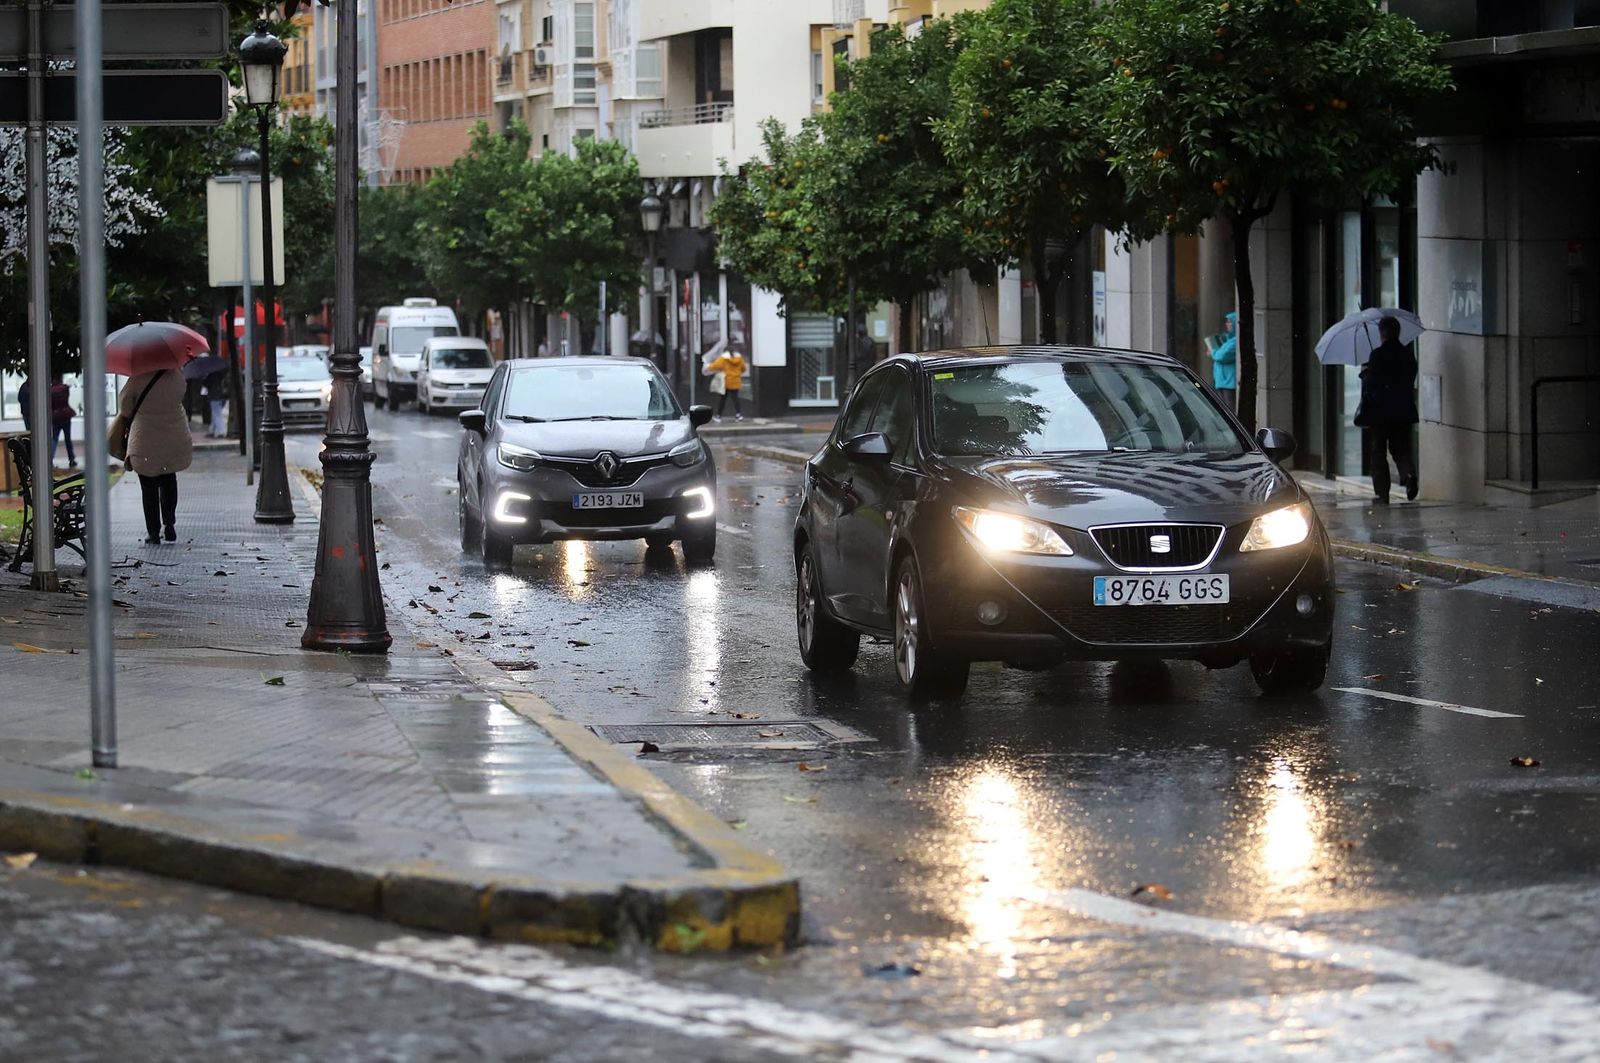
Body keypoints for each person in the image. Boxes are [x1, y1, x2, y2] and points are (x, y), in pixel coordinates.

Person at [117, 368, 192, 544]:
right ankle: (169, 523)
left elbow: (125, 407)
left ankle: (153, 531)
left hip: (145, 436)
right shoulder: (176, 376)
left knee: (148, 484)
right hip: (174, 433)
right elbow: (181, 393)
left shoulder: (137, 378)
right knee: (169, 477)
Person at [1358, 315, 1419, 504]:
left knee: (1378, 450)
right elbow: (1409, 378)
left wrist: (1365, 371)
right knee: (1400, 448)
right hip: (1403, 410)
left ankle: (1382, 493)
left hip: (1381, 412)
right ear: (1398, 332)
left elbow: (1372, 383)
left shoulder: (1377, 355)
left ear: (1381, 333)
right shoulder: (1407, 354)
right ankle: (1408, 475)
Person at [704, 344, 747, 422]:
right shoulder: (739, 358)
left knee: (722, 400)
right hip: (736, 381)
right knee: (736, 399)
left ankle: (718, 416)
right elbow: (744, 368)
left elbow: (715, 366)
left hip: (726, 382)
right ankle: (739, 415)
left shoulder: (723, 358)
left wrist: (707, 366)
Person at [1209, 311, 1238, 412]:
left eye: (1230, 322)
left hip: (1229, 382)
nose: (1227, 324)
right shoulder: (1229, 340)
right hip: (1222, 381)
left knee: (1229, 410)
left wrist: (1213, 351)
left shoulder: (1235, 342)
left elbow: (1221, 356)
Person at [48, 374, 76, 468]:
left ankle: (50, 459)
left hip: (55, 417)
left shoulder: (50, 391)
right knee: (68, 438)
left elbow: (50, 404)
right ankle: (71, 459)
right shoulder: (65, 388)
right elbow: (66, 398)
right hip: (65, 415)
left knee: (54, 438)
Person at [201, 367, 230, 438]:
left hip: (214, 396)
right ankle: (211, 430)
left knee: (217, 414)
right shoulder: (223, 374)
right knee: (215, 414)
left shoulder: (211, 375)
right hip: (222, 396)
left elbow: (205, 384)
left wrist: (204, 377)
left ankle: (221, 431)